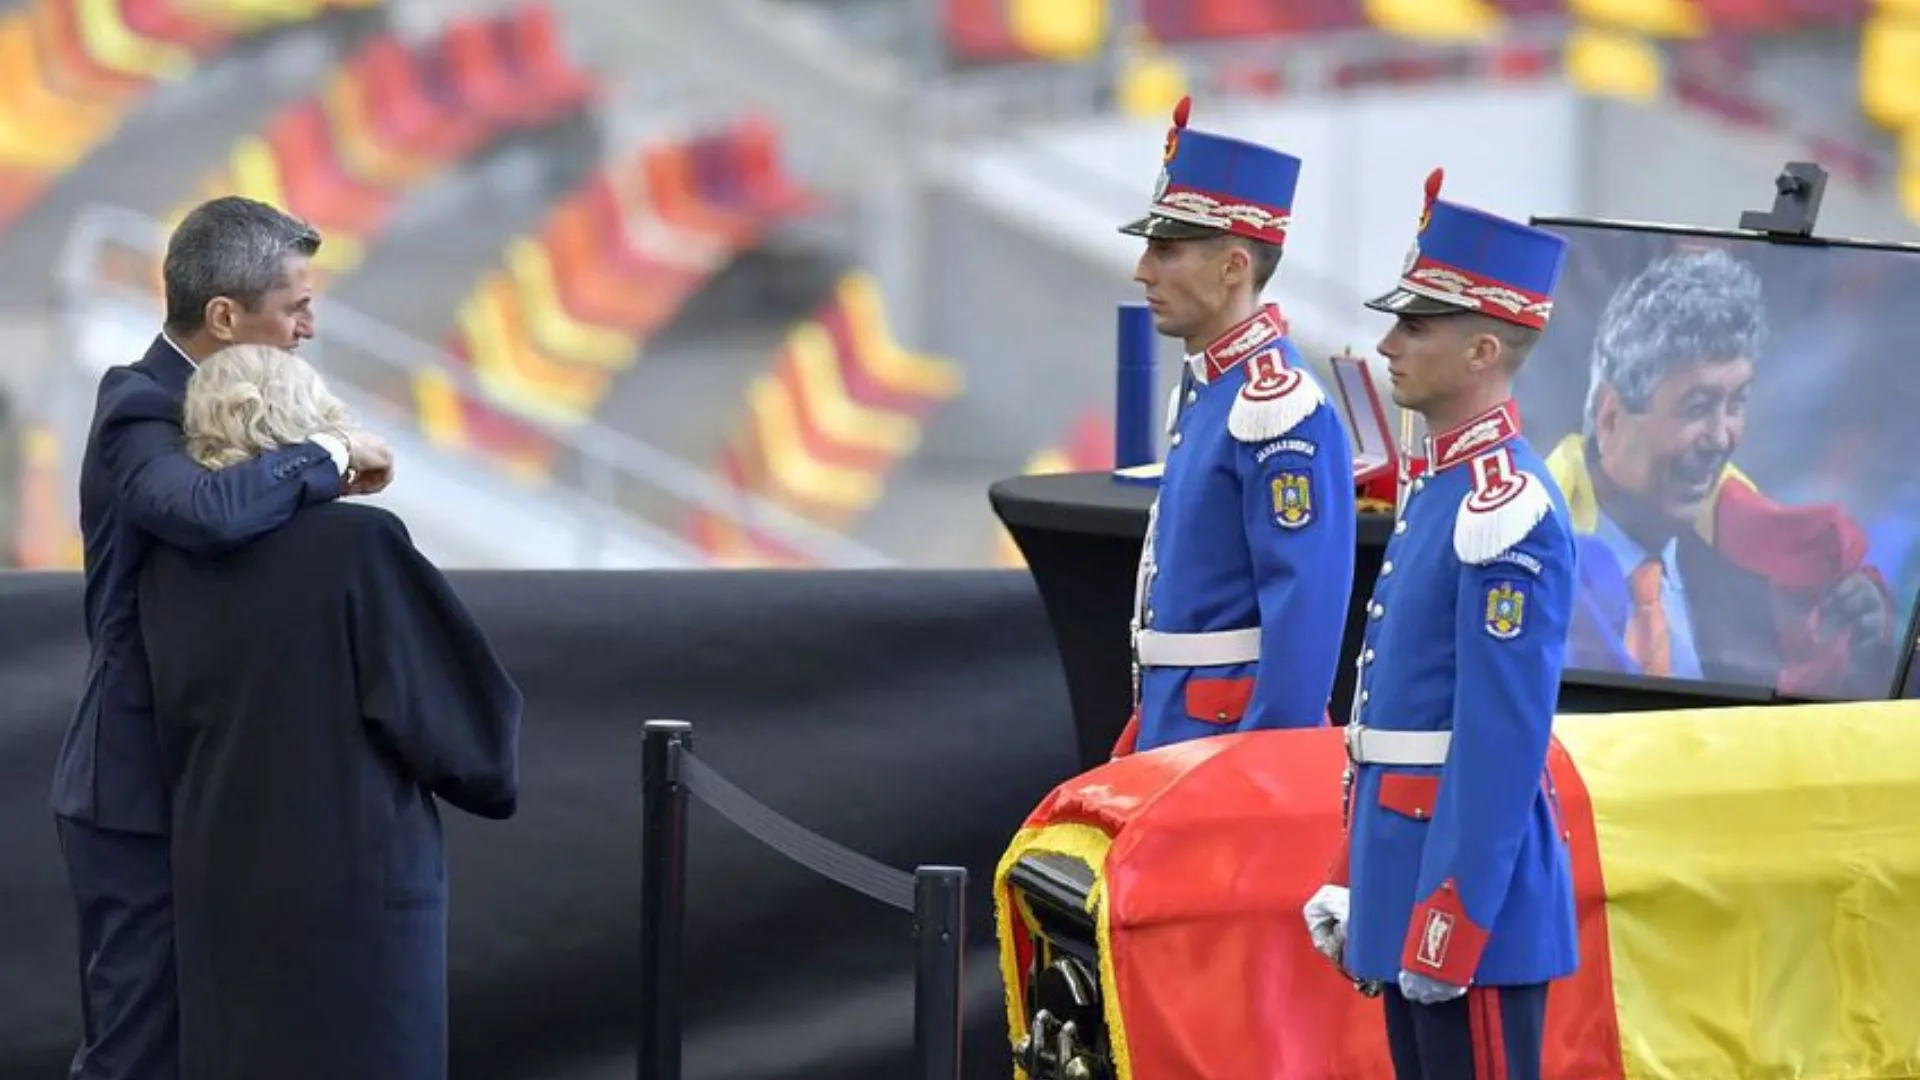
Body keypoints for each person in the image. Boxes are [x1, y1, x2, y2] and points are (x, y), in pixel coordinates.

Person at [50, 195, 395, 1080]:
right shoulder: (138, 404)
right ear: (225, 317)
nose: (309, 328)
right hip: (136, 787)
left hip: (219, 785)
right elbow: (203, 513)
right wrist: (328, 453)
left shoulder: (239, 406)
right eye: (294, 308)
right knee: (138, 1048)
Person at [139, 343, 522, 1080]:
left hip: (218, 890)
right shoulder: (358, 546)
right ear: (306, 424)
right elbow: (465, 737)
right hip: (352, 897)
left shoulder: (163, 567)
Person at [1303, 170, 1579, 1080]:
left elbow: (1499, 742)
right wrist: (1365, 880)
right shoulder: (1443, 489)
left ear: (1482, 350)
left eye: (1416, 326)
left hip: (1469, 910)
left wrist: (1446, 917)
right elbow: (1384, 727)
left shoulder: (1506, 508)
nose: (1387, 345)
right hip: (1409, 875)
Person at [1108, 95, 1357, 756]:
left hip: (1227, 737)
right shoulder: (1217, 391)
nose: (1143, 270)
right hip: (1182, 721)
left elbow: (1302, 618)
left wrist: (1262, 764)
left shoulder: (1279, 409)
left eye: (1167, 251)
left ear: (1233, 267)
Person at [1542, 247, 1893, 697]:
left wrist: (1861, 653)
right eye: (1698, 407)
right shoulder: (1536, 567)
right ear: (1611, 418)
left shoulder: (1750, 587)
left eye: (1737, 404)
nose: (1722, 436)